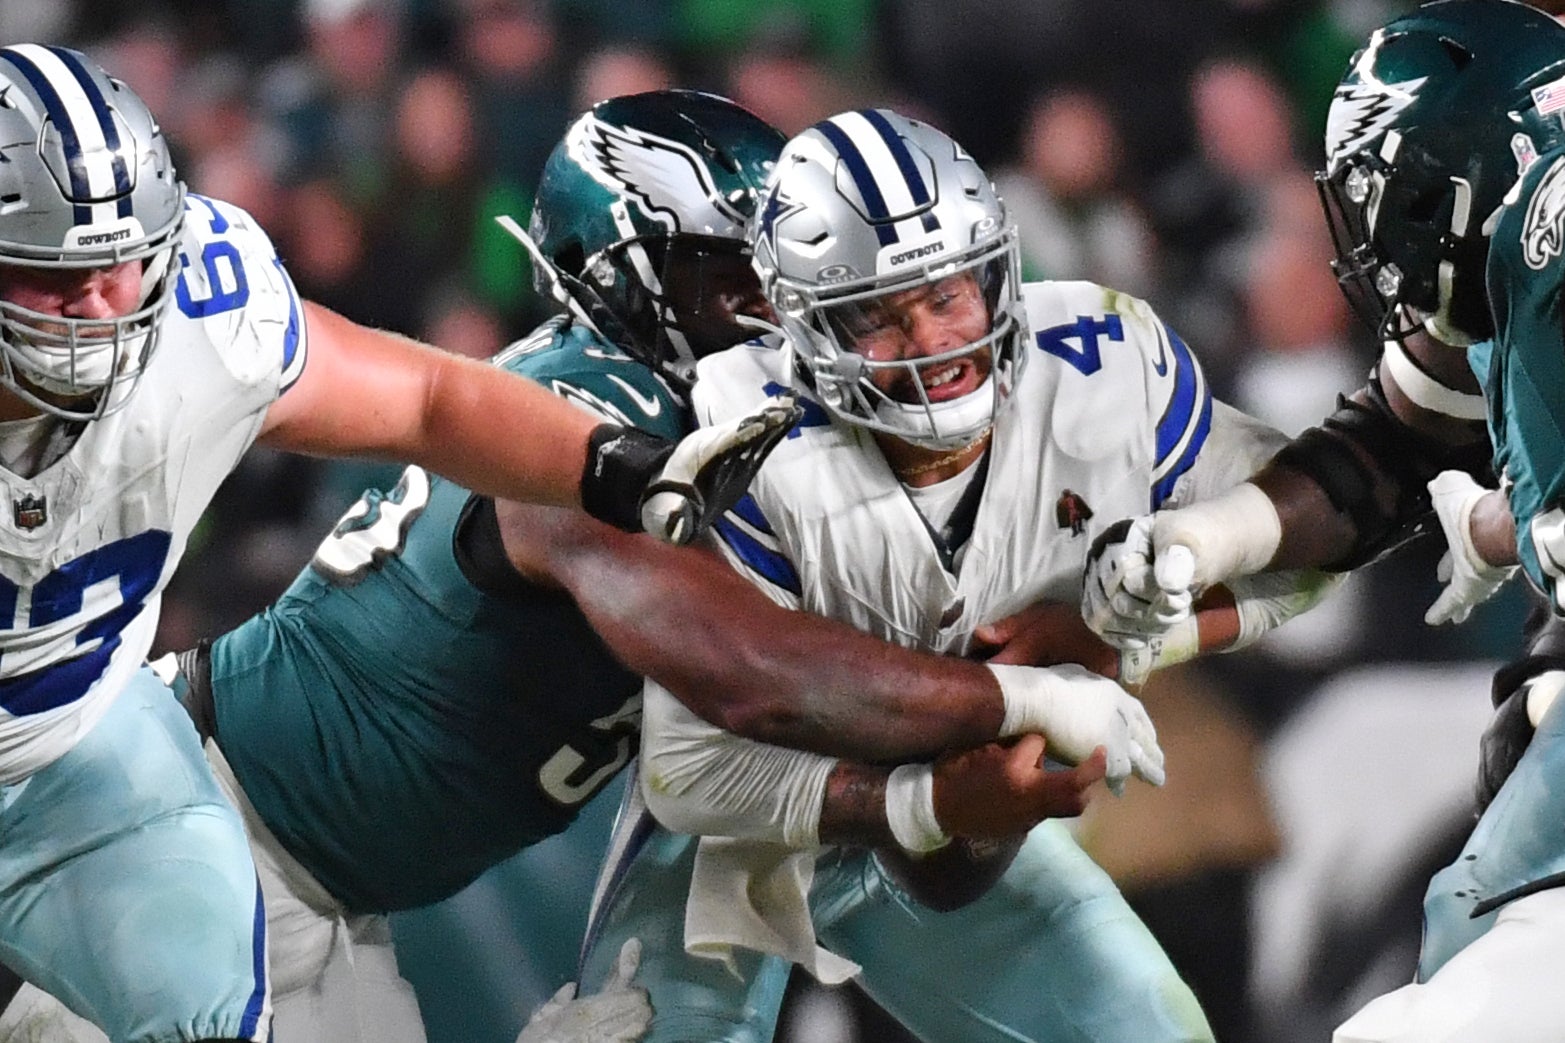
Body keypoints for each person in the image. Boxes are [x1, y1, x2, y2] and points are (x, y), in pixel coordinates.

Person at [0, 90, 1147, 1043]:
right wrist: (1014, 696)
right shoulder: (585, 414)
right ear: (619, 273)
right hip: (197, 827)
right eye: (734, 282)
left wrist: (966, 775)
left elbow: (879, 798)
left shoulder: (767, 451)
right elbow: (752, 673)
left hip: (324, 886)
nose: (776, 314)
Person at [0, 47, 801, 1043]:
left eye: (119, 266)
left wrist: (621, 469)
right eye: (54, 278)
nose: (99, 309)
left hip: (95, 747)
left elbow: (425, 398)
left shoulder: (202, 310)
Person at [575, 107, 1340, 1043]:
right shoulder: (741, 428)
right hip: (747, 837)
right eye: (876, 315)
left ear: (995, 275)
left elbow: (1304, 552)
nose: (931, 341)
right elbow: (691, 769)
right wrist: (925, 800)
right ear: (802, 325)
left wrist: (1126, 632)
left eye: (946, 294)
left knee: (1153, 1032)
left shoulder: (1098, 360)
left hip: (962, 829)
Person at [1077, 2, 1565, 1039]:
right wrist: (1212, 537)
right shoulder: (1511, 247)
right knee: (1466, 921)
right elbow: (1379, 453)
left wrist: (1505, 526)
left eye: (1402, 196)